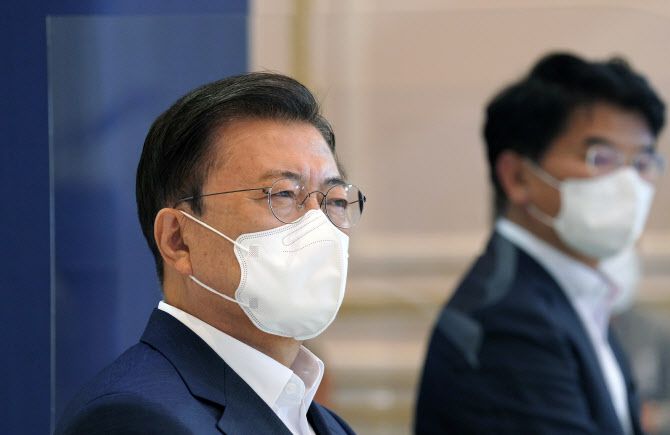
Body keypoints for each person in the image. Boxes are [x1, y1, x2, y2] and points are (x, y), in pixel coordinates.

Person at [55, 72, 365, 434]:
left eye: (335, 200)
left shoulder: (327, 424)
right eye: (282, 194)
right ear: (178, 240)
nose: (319, 224)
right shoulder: (133, 418)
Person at [415, 52, 666, 434]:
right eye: (601, 158)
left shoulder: (577, 296)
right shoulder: (510, 321)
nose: (629, 184)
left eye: (643, 163)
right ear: (517, 177)